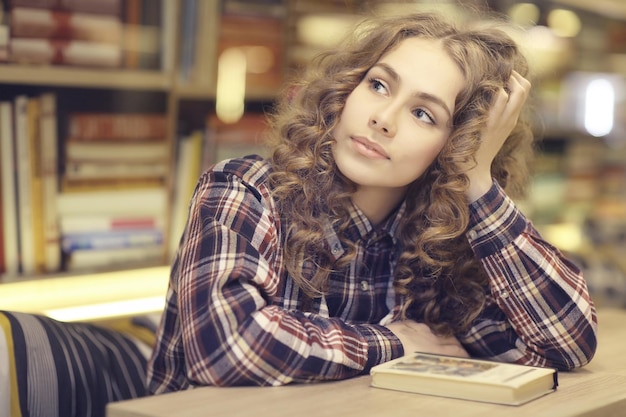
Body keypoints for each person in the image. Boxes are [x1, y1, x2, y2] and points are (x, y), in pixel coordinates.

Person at [147, 12, 597, 392]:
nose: (383, 118)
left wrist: (477, 178)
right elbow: (226, 348)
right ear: (347, 89)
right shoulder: (244, 189)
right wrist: (393, 343)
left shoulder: (438, 245)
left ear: (456, 145)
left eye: (423, 113)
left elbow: (566, 345)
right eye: (379, 85)